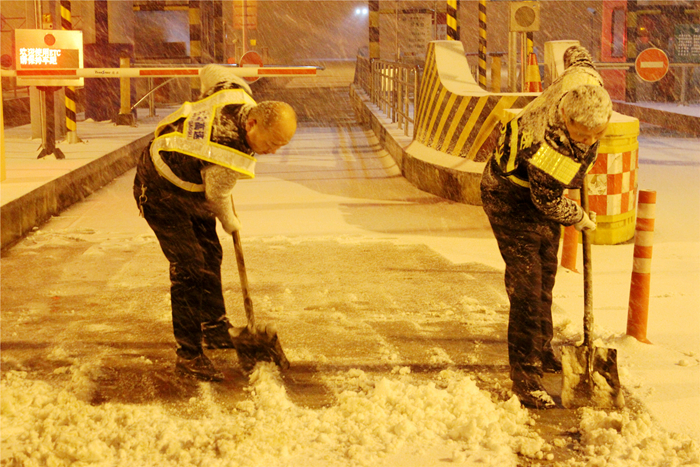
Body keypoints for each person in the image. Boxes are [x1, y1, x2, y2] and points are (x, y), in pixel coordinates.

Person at [133, 64, 297, 382]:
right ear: (251, 122)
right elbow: (218, 197)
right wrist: (232, 223)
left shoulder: (232, 89)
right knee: (190, 266)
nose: (274, 150)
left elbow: (209, 70)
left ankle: (215, 327)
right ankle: (189, 355)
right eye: (272, 141)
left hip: (191, 182)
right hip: (159, 188)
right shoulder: (228, 156)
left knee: (211, 253)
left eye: (282, 145)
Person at [480, 45, 611, 409]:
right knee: (526, 286)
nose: (586, 142)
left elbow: (579, 59)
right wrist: (579, 217)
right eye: (579, 135)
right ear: (566, 117)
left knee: (546, 277)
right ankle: (525, 376)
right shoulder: (550, 146)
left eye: (594, 135)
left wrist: (575, 51)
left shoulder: (584, 81)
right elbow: (548, 202)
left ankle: (542, 349)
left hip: (540, 194)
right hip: (509, 196)